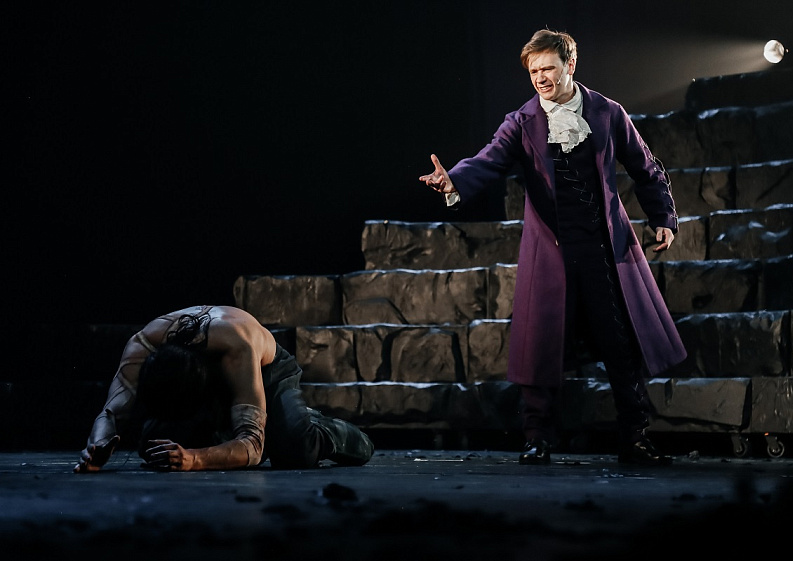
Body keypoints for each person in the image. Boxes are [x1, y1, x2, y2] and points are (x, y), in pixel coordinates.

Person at [419, 29, 687, 466]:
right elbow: (489, 159)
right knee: (541, 346)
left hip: (604, 250)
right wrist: (454, 181)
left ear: (570, 65)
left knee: (621, 345)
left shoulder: (607, 112)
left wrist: (663, 217)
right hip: (551, 252)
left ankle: (635, 438)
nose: (541, 78)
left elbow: (646, 167)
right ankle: (537, 438)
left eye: (548, 68)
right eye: (534, 72)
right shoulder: (521, 122)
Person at [74, 305, 373, 472]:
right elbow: (110, 414)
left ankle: (318, 426)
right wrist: (96, 449)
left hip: (265, 370)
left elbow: (252, 445)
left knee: (295, 450)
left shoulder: (237, 349)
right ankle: (239, 424)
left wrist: (195, 459)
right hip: (201, 378)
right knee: (154, 446)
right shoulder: (143, 345)